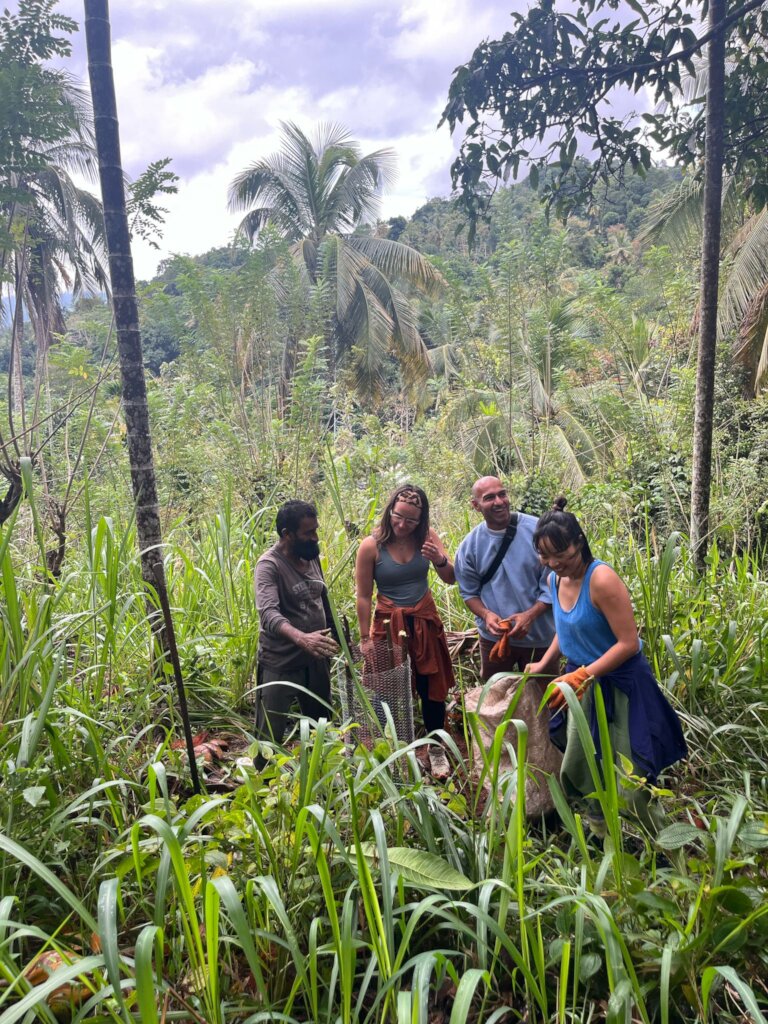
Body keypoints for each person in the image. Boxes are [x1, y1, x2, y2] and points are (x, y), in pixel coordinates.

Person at [527, 496, 687, 826]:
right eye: (546, 556)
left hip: (620, 684)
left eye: (562, 554)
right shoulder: (554, 580)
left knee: (631, 768)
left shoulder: (601, 580)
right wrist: (545, 664)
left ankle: (648, 836)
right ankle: (602, 833)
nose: (555, 563)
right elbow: (565, 627)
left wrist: (583, 674)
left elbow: (628, 643)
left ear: (579, 543)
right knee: (586, 763)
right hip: (581, 684)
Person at [355, 484, 455, 777]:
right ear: (389, 511)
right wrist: (364, 638)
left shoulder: (426, 538)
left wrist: (438, 558)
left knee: (431, 687)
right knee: (386, 690)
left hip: (423, 620)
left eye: (410, 520)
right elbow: (363, 595)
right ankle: (394, 752)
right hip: (387, 624)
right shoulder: (371, 546)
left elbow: (451, 577)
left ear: (420, 521)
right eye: (398, 516)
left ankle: (435, 750)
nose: (402, 525)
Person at [254, 499, 339, 757]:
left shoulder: (310, 555)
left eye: (316, 530)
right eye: (308, 532)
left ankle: (320, 777)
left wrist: (337, 635)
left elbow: (322, 596)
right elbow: (268, 614)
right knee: (269, 734)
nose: (315, 538)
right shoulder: (269, 566)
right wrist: (303, 639)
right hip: (281, 662)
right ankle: (261, 783)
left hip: (316, 658)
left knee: (320, 725)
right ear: (287, 535)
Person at [454, 476, 556, 680]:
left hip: (540, 637)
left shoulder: (537, 531)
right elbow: (469, 592)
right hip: (494, 639)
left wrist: (530, 615)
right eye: (489, 497)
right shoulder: (470, 546)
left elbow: (554, 582)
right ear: (476, 505)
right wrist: (486, 615)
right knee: (496, 700)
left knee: (548, 701)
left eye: (502, 494)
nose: (499, 502)